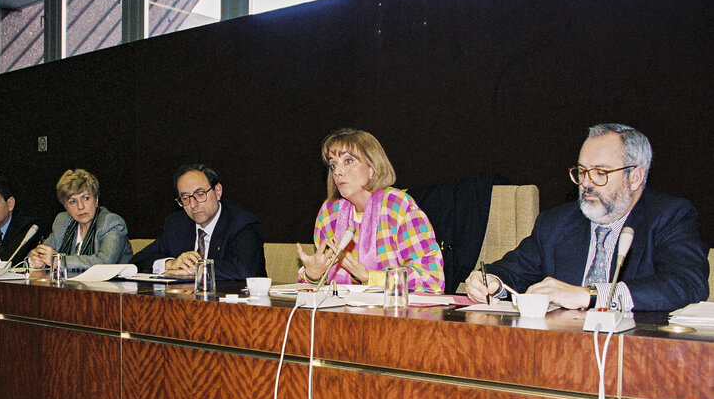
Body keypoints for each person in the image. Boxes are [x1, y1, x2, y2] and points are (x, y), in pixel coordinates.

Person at [465, 123, 708, 311]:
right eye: (582, 171)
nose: (587, 183)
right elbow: (512, 272)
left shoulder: (669, 216)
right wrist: (490, 282)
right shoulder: (556, 223)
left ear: (634, 177)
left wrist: (590, 295)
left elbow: (687, 283)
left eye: (600, 172)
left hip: (637, 355)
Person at [297, 128, 445, 293]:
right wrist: (313, 275)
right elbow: (315, 289)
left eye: (348, 161)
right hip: (339, 313)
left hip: (392, 314)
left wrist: (369, 277)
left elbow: (431, 279)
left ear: (372, 168)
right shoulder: (329, 213)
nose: (337, 172)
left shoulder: (397, 206)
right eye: (333, 165)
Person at [130, 165, 266, 280]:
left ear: (217, 191)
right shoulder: (177, 224)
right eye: (185, 198)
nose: (193, 204)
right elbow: (136, 261)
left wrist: (198, 268)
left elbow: (246, 270)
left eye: (200, 194)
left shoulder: (242, 223)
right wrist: (170, 264)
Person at [28, 169, 133, 270]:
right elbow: (40, 251)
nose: (80, 206)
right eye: (72, 201)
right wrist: (35, 259)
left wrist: (59, 260)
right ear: (65, 207)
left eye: (86, 198)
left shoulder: (111, 222)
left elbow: (105, 262)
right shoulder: (63, 222)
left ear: (96, 199)